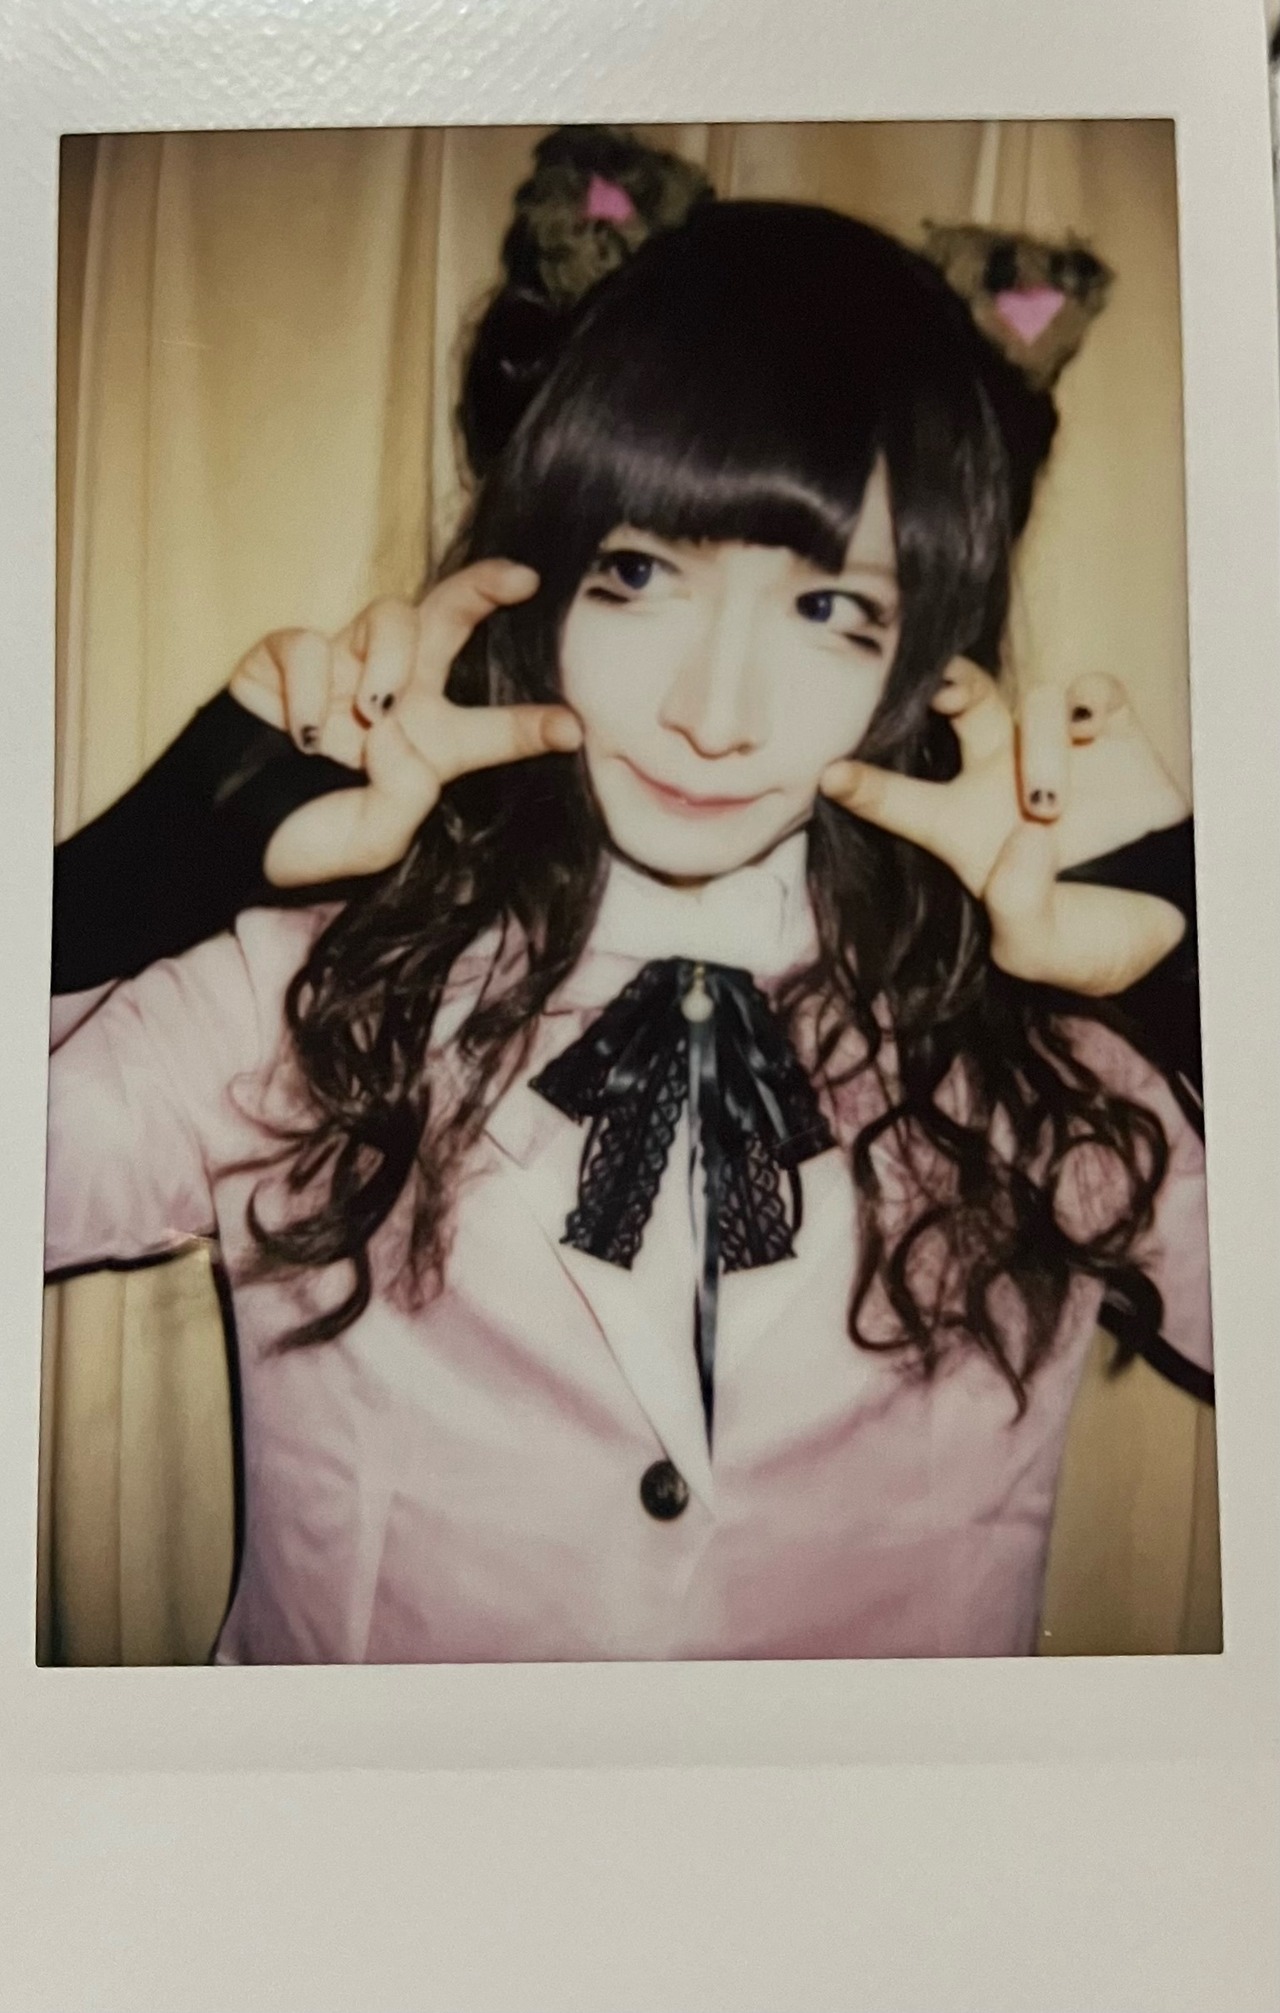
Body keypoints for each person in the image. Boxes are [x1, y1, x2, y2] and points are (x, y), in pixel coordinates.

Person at [45, 156, 1210, 1663]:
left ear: (927, 652)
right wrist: (173, 840)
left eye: (828, 609)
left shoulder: (1053, 1064)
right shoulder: (308, 996)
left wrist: (1192, 953)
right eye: (642, 573)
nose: (713, 715)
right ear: (537, 582)